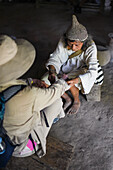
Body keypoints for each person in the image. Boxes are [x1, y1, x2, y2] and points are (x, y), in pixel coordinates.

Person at [0, 35, 71, 168]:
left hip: (3, 137)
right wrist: (62, 81)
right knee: (56, 103)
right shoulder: (28, 94)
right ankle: (53, 119)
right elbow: (53, 93)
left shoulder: (16, 88)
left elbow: (9, 86)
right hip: (18, 147)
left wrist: (31, 81)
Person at [43, 15, 104, 115]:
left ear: (83, 43)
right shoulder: (63, 41)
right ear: (67, 39)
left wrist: (78, 79)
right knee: (44, 81)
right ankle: (67, 99)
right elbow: (56, 57)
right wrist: (52, 71)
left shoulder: (91, 46)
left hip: (81, 68)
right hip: (65, 67)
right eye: (70, 44)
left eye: (77, 45)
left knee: (69, 81)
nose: (73, 48)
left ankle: (76, 100)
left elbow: (93, 69)